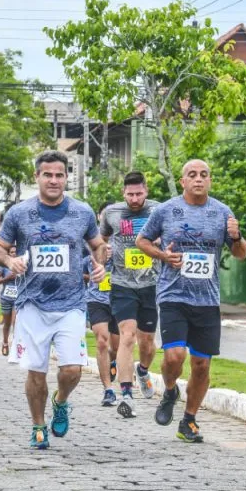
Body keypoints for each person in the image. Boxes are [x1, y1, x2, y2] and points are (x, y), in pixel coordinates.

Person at [0, 150, 106, 450]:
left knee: (72, 370)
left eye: (59, 175)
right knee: (36, 371)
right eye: (48, 175)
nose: (54, 180)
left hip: (71, 303)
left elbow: (98, 245)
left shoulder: (82, 212)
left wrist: (100, 264)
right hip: (32, 303)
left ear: (67, 177)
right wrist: (10, 260)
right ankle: (38, 425)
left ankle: (61, 400)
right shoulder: (19, 213)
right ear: (37, 177)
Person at [136, 160, 246, 443]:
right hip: (173, 294)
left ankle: (189, 420)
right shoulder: (165, 210)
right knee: (175, 357)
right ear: (183, 180)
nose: (198, 179)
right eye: (192, 175)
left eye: (204, 175)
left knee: (201, 365)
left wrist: (236, 236)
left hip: (207, 299)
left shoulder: (223, 212)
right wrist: (163, 256)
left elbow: (240, 253)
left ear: (210, 180)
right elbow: (142, 241)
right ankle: (171, 389)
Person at [100, 172, 160, 419]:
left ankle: (143, 370)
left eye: (139, 193)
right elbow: (101, 239)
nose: (135, 199)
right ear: (123, 193)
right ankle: (126, 394)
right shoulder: (112, 213)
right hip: (122, 283)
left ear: (146, 190)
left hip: (152, 283)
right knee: (127, 336)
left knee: (146, 342)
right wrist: (104, 251)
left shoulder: (159, 210)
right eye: (130, 194)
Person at [84, 243, 120, 407]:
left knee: (116, 347)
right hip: (96, 300)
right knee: (101, 341)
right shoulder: (94, 241)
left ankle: (111, 361)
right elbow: (83, 271)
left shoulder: (123, 236)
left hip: (119, 300)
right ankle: (108, 390)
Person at [0, 247, 20, 358]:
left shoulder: (22, 265)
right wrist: (7, 278)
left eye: (15, 252)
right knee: (7, 324)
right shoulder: (3, 266)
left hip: (18, 299)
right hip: (6, 298)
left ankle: (15, 346)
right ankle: (5, 343)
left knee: (16, 323)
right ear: (8, 254)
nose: (13, 254)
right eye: (11, 252)